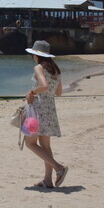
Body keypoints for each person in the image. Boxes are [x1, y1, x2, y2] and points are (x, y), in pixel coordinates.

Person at [22, 41, 68, 189]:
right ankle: (47, 180)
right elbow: (58, 93)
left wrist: (31, 92)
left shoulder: (38, 68)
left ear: (36, 55)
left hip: (38, 108)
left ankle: (58, 167)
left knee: (29, 143)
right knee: (45, 145)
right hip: (50, 108)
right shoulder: (56, 70)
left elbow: (44, 86)